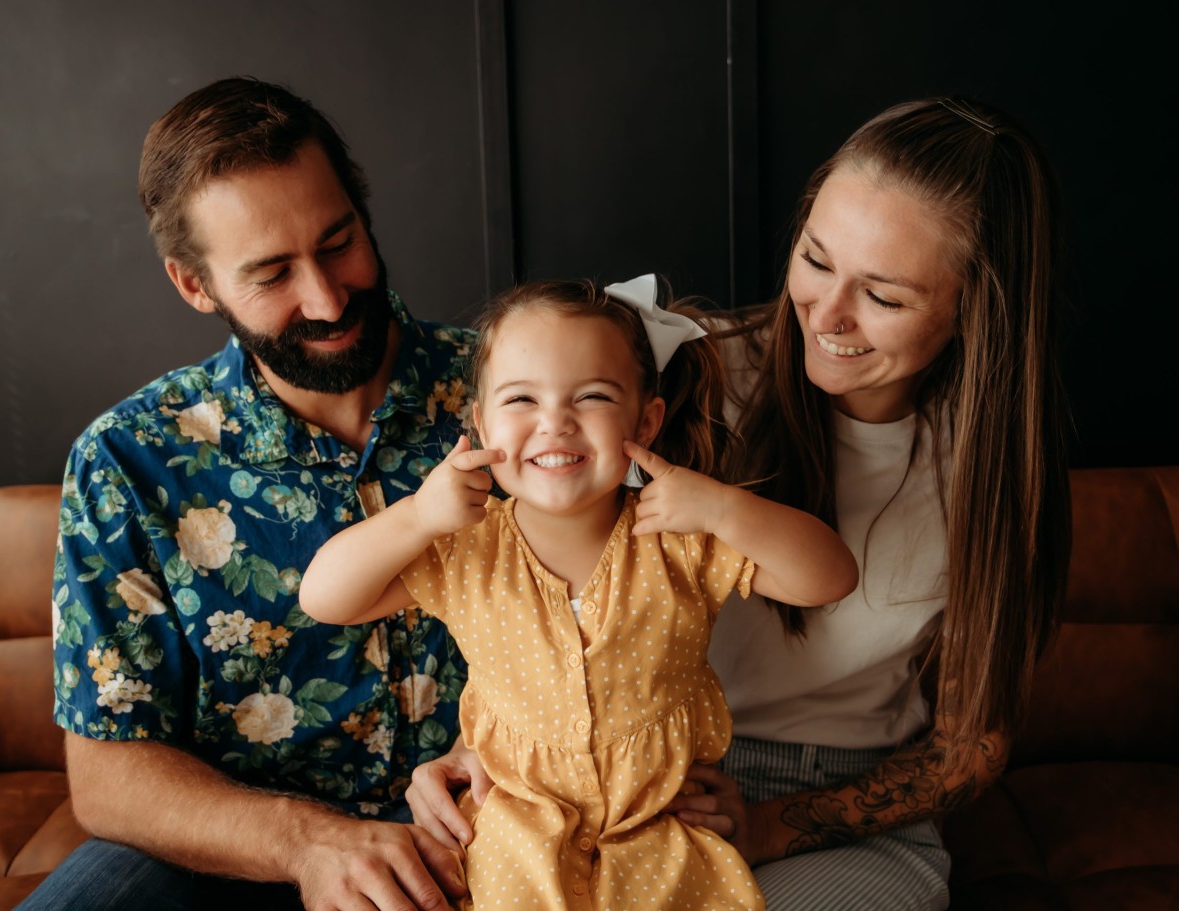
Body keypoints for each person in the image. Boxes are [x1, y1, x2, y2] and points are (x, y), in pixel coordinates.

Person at [404, 96, 1071, 911]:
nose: (825, 316)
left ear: (976, 306)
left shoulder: (993, 477)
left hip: (840, 802)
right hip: (647, 783)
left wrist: (768, 826)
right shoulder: (693, 378)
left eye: (885, 297)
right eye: (816, 259)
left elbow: (971, 746)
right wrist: (489, 750)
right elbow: (549, 566)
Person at [22, 77, 478, 911]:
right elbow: (106, 776)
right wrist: (307, 842)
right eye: (271, 274)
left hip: (489, 832)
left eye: (339, 241)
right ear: (196, 286)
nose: (328, 298)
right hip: (239, 853)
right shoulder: (126, 459)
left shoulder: (514, 395)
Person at [299, 275, 859, 910]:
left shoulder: (678, 535)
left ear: (645, 419)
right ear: (482, 425)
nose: (555, 423)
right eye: (521, 401)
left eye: (590, 396)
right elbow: (325, 597)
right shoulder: (466, 547)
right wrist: (418, 516)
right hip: (516, 835)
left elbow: (830, 577)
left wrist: (726, 510)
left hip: (660, 831)